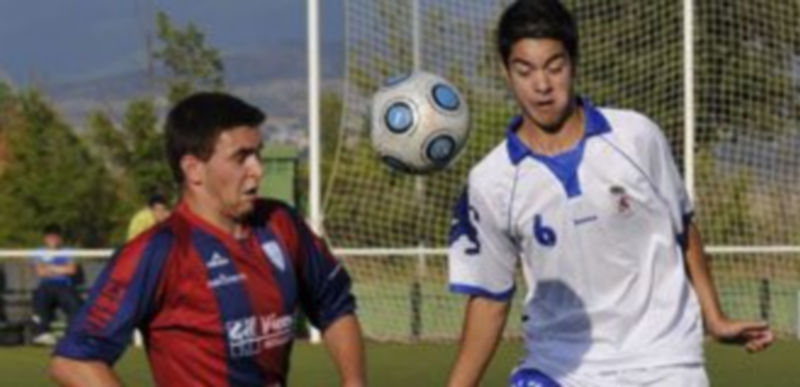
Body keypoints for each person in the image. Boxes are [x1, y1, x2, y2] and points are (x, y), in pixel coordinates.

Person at [447, 1, 774, 386]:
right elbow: (489, 297)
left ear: (574, 63)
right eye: (525, 71)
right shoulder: (491, 180)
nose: (542, 85)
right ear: (506, 72)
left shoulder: (636, 137)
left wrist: (714, 317)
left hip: (662, 361)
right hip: (559, 367)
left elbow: (683, 231)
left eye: (555, 67)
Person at [49, 92, 366, 387]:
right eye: (241, 157)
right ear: (193, 169)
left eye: (258, 154)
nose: (257, 170)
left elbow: (335, 306)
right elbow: (74, 361)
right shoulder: (158, 251)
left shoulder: (281, 224)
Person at [31, 224, 83, 346]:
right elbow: (41, 272)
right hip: (46, 287)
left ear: (60, 238)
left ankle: (74, 335)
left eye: (55, 237)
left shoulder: (68, 251)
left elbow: (71, 270)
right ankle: (42, 332)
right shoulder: (39, 252)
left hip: (64, 286)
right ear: (45, 239)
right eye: (50, 237)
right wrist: (61, 268)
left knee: (75, 304)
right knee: (39, 298)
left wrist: (50, 267)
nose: (53, 240)